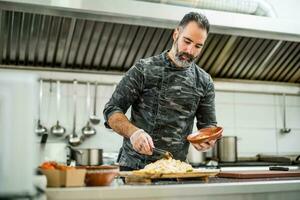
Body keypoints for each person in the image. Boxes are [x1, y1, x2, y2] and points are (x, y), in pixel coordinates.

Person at [103, 12, 217, 171]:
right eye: (187, 41)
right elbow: (112, 110)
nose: (190, 51)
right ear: (176, 34)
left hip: (176, 170)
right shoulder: (144, 69)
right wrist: (134, 133)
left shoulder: (204, 81)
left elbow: (208, 126)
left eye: (198, 46)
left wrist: (208, 139)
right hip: (135, 169)